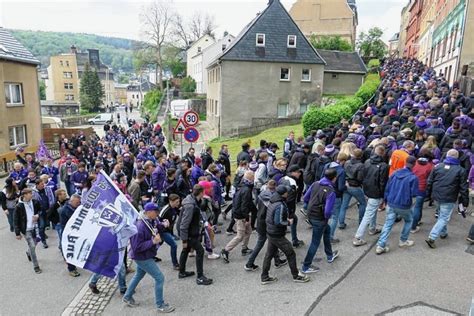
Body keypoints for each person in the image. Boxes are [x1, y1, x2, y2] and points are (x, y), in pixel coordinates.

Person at [122, 203, 174, 313]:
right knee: (159, 278)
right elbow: (136, 247)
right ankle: (160, 305)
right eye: (156, 212)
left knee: (138, 275)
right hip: (142, 257)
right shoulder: (140, 226)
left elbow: (155, 227)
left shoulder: (150, 220)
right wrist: (152, 242)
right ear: (148, 212)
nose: (158, 214)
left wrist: (163, 225)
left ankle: (127, 296)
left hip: (146, 255)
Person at [260, 185, 309, 285]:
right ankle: (296, 275)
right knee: (291, 253)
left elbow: (273, 217)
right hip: (277, 234)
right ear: (284, 194)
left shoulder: (272, 200)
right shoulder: (280, 205)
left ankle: (264, 276)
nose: (288, 193)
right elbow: (278, 222)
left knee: (269, 255)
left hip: (270, 232)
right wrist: (288, 222)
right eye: (287, 192)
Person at [425, 149, 469, 248]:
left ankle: (443, 233)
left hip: (436, 196)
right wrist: (465, 203)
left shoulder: (437, 166)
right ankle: (432, 237)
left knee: (442, 215)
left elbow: (430, 181)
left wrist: (428, 195)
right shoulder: (460, 170)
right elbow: (464, 188)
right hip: (449, 197)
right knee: (444, 217)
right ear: (457, 157)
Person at [376, 156, 418, 255]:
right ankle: (403, 240)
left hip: (391, 202)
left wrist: (385, 201)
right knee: (409, 220)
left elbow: (387, 188)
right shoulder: (413, 178)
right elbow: (414, 193)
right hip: (403, 205)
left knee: (388, 223)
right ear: (414, 165)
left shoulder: (394, 173)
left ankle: (380, 245)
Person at [301, 168, 340, 273]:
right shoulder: (331, 191)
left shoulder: (315, 184)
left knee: (327, 230)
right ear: (334, 178)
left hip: (311, 214)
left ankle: (330, 255)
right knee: (315, 242)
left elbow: (305, 198)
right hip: (320, 218)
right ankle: (306, 266)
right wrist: (327, 217)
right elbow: (327, 211)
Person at [245, 180, 286, 271]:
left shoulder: (261, 195)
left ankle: (277, 260)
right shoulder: (274, 199)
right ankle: (249, 263)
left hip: (260, 221)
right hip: (267, 223)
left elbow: (255, 207)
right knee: (261, 244)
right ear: (275, 187)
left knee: (272, 242)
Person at [353, 145, 388, 246]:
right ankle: (358, 237)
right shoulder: (384, 166)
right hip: (376, 193)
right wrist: (383, 197)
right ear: (383, 153)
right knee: (368, 215)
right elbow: (383, 183)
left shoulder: (367, 162)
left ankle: (372, 228)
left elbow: (363, 176)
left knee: (371, 211)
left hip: (367, 190)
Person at [178, 185, 213, 285]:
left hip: (190, 232)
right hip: (189, 233)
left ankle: (182, 272)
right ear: (201, 193)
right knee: (200, 251)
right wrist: (184, 240)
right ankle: (200, 277)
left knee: (186, 250)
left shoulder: (193, 201)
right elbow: (184, 224)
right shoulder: (190, 205)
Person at [221, 171, 256, 262]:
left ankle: (244, 248)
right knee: (240, 236)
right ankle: (225, 250)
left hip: (238, 213)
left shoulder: (242, 185)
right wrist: (247, 218)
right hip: (241, 216)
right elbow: (244, 205)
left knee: (248, 231)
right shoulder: (247, 190)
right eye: (253, 177)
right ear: (251, 178)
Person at [14, 188, 42, 274]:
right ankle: (36, 266)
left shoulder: (35, 202)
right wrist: (17, 233)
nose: (31, 195)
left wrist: (37, 215)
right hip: (26, 230)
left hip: (35, 227)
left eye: (31, 193)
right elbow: (16, 220)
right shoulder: (19, 206)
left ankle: (29, 252)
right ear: (24, 195)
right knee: (32, 246)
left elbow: (40, 210)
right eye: (30, 193)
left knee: (35, 243)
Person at [338, 148, 366, 228]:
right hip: (355, 186)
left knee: (344, 205)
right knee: (363, 203)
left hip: (346, 185)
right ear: (361, 156)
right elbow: (360, 178)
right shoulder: (361, 165)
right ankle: (361, 222)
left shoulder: (347, 162)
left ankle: (341, 223)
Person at [59, 194, 82, 277]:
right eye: (77, 203)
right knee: (70, 250)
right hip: (67, 233)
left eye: (79, 202)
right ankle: (71, 268)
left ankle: (73, 265)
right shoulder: (66, 210)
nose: (78, 204)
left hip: (74, 233)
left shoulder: (74, 207)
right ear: (71, 201)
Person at [158, 194, 181, 270]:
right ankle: (175, 264)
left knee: (159, 243)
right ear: (171, 201)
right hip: (163, 231)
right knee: (174, 245)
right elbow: (158, 220)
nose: (178, 204)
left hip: (169, 230)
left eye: (178, 202)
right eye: (176, 202)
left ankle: (150, 255)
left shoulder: (174, 208)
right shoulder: (165, 210)